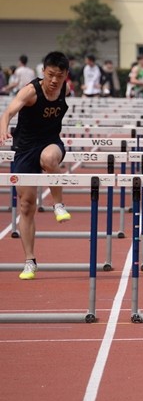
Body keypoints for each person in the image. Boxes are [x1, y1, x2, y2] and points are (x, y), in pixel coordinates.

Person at [0, 51, 73, 280]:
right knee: (26, 205)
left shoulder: (65, 90)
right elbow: (9, 112)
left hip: (51, 143)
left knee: (50, 159)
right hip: (25, 149)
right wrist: (3, 128)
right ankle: (30, 261)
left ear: (65, 76)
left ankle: (58, 204)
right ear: (43, 72)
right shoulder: (31, 91)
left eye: (59, 77)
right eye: (50, 75)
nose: (54, 81)